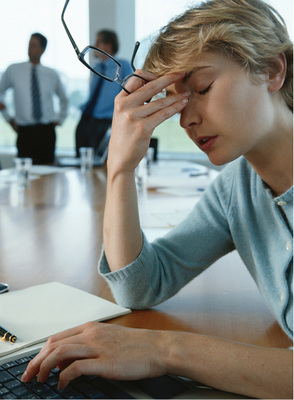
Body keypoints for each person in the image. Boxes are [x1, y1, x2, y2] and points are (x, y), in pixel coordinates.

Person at [22, 0, 292, 398]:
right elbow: (140, 286)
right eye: (175, 99)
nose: (186, 119)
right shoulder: (238, 189)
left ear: (271, 69)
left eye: (202, 88)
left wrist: (163, 349)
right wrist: (120, 169)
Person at [0, 33, 68, 164]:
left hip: (46, 131)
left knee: (47, 173)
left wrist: (59, 119)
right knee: (25, 173)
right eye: (29, 44)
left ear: (42, 49)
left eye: (34, 45)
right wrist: (9, 118)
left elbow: (64, 99)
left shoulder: (51, 74)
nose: (29, 48)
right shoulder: (13, 70)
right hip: (25, 132)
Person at [75, 29, 133, 157]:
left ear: (108, 45)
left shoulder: (122, 66)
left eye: (98, 42)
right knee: (82, 160)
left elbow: (130, 94)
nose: (94, 45)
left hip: (106, 124)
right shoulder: (97, 68)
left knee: (101, 164)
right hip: (86, 121)